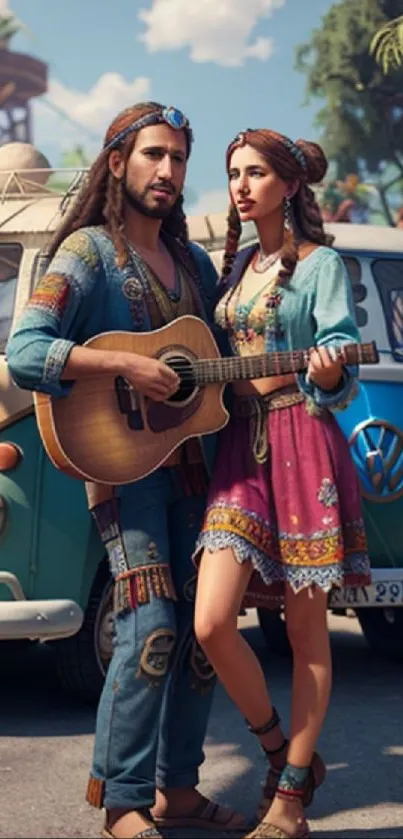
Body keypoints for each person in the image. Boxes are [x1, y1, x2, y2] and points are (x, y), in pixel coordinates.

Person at [6, 102, 245, 839]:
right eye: (153, 155)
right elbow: (26, 351)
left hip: (194, 471)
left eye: (177, 158)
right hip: (122, 474)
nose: (168, 171)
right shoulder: (84, 254)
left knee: (207, 637)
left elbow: (220, 370)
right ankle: (122, 798)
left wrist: (307, 368)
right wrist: (120, 365)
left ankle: (177, 787)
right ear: (118, 163)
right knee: (151, 628)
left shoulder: (196, 266)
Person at [193, 129, 371, 839]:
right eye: (233, 172)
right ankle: (281, 750)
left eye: (256, 172)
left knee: (304, 630)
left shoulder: (320, 263)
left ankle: (289, 800)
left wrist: (327, 368)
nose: (240, 185)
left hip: (301, 439)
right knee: (211, 621)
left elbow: (339, 347)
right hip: (239, 445)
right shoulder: (234, 268)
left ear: (289, 185)